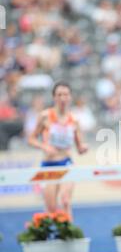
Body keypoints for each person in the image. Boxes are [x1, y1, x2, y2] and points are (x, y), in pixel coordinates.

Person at [28, 81, 88, 220]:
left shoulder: (74, 120)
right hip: (48, 166)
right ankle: (53, 237)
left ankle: (71, 236)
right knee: (51, 209)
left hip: (66, 164)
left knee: (65, 201)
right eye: (59, 94)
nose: (62, 98)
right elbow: (31, 139)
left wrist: (83, 148)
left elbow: (79, 148)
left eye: (65, 94)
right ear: (54, 97)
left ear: (70, 97)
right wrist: (45, 147)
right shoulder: (45, 116)